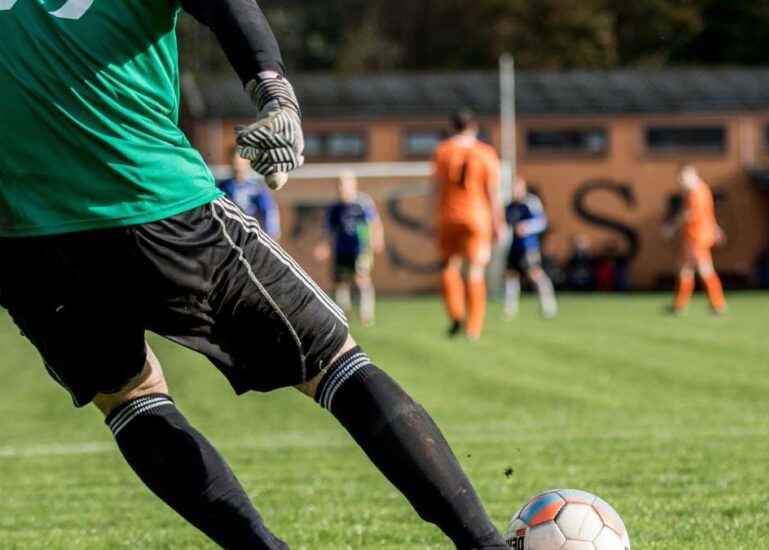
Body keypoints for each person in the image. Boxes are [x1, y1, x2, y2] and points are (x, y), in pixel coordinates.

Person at [0, 3, 510, 549]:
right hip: (151, 199)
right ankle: (485, 545)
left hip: (23, 238)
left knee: (128, 397)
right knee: (334, 359)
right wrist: (275, 94)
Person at [432, 109, 506, 341]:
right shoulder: (485, 152)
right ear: (474, 127)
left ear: (452, 127)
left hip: (448, 216)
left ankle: (456, 314)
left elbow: (435, 189)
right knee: (475, 271)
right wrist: (498, 222)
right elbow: (492, 193)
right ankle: (473, 328)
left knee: (448, 266)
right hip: (477, 217)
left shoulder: (442, 151)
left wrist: (431, 218)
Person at [315, 171, 384, 326]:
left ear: (353, 185)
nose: (342, 188)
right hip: (341, 249)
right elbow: (328, 229)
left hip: (360, 248)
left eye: (345, 184)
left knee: (361, 278)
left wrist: (377, 238)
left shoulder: (362, 203)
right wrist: (323, 246)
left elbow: (374, 223)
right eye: (339, 184)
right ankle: (343, 313)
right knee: (340, 281)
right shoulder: (335, 207)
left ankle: (366, 314)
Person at [664, 165, 727, 314]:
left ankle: (717, 304)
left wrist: (672, 228)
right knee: (688, 269)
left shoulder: (696, 192)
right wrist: (715, 228)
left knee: (700, 269)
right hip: (699, 235)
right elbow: (708, 214)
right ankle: (681, 305)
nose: (681, 182)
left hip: (696, 237)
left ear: (692, 175)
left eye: (683, 178)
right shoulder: (703, 190)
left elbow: (689, 215)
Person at [503, 178, 557, 319]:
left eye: (517, 188)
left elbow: (541, 222)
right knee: (511, 275)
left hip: (529, 246)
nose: (515, 191)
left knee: (535, 273)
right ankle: (510, 309)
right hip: (514, 247)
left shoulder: (531, 203)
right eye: (513, 188)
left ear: (523, 188)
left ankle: (548, 305)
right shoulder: (509, 206)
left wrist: (527, 227)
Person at [219, 146, 282, 239]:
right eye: (234, 160)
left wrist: (272, 233)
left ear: (247, 162)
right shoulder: (223, 187)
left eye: (240, 161)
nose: (237, 164)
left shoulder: (256, 188)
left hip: (251, 237)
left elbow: (268, 210)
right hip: (229, 236)